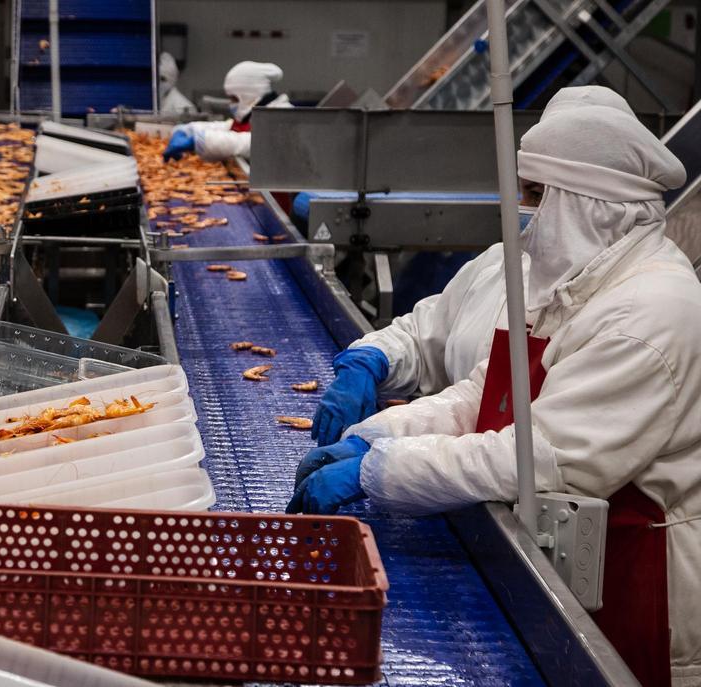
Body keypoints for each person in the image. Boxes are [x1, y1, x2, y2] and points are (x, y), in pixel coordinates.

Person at [290, 90, 701, 686]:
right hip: (562, 561)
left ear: (588, 204)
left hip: (640, 581)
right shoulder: (567, 282)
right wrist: (373, 437)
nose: (519, 212)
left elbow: (541, 457)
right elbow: (480, 400)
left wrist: (376, 472)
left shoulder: (651, 312)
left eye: (534, 196)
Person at [310, 85, 638, 446]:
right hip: (442, 471)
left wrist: (391, 459)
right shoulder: (501, 263)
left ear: (593, 201)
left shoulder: (621, 306)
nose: (528, 209)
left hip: (487, 483)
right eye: (528, 192)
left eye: (542, 195)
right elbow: (427, 336)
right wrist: (375, 358)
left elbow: (530, 448)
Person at [162, 61, 290, 162]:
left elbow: (253, 143)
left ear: (248, 95)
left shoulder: (282, 116)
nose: (231, 104)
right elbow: (229, 128)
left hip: (276, 194)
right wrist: (189, 130)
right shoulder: (255, 113)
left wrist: (199, 141)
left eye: (234, 98)